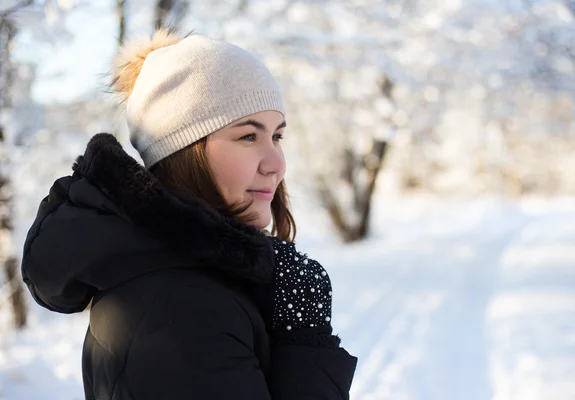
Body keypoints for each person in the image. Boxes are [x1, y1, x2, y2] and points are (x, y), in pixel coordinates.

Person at [20, 29, 357, 399]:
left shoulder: (187, 279)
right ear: (184, 152)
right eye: (248, 136)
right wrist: (304, 342)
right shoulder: (184, 308)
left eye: (277, 136)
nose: (276, 164)